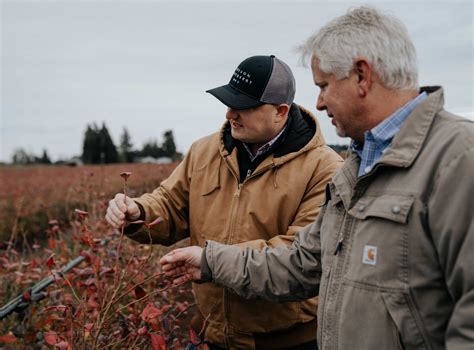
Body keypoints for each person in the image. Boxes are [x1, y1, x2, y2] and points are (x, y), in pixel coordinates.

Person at [160, 7, 474, 350]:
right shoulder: (357, 167)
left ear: (362, 76)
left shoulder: (458, 157)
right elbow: (304, 262)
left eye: (324, 85)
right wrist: (210, 261)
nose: (319, 103)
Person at [105, 54, 343, 349]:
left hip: (287, 342)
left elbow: (298, 254)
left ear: (280, 112)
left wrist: (210, 262)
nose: (231, 114)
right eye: (229, 104)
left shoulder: (325, 169)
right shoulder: (204, 151)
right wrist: (138, 212)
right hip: (211, 336)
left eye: (243, 107)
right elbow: (170, 204)